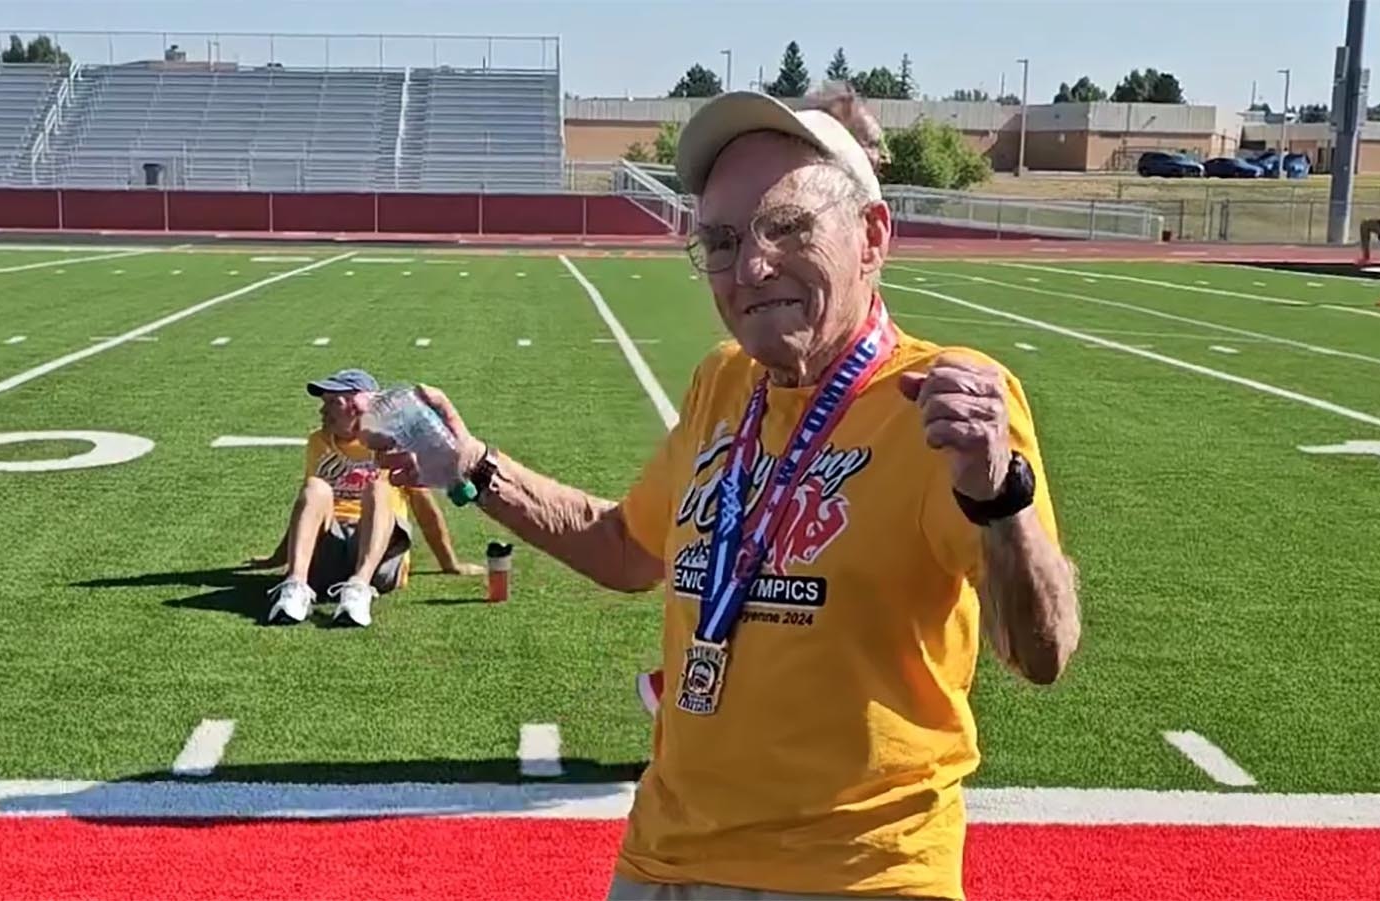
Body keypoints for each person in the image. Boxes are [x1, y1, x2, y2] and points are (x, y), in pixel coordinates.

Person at [372, 90, 1080, 900]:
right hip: (665, 859)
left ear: (872, 238)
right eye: (722, 240)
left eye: (788, 228)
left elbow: (1042, 651)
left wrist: (1002, 498)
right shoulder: (724, 382)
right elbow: (627, 549)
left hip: (860, 874)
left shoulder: (945, 403)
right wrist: (473, 466)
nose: (751, 266)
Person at [249, 368, 480, 628]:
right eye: (323, 403)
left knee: (377, 488)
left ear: (359, 407)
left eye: (332, 403)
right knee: (316, 487)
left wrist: (450, 563)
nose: (323, 412)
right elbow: (307, 507)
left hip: (380, 557)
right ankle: (295, 586)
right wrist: (277, 558)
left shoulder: (397, 443)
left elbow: (425, 510)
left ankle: (359, 588)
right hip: (328, 554)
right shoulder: (319, 441)